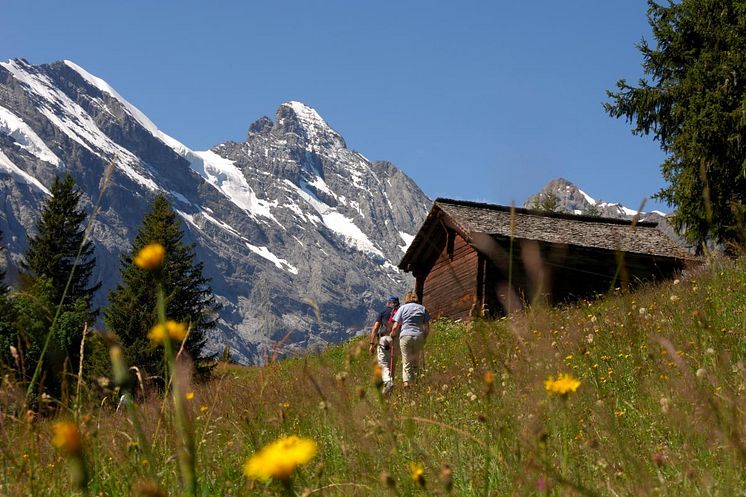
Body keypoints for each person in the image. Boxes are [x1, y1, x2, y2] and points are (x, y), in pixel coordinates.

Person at [391, 291, 430, 387]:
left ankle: (407, 384)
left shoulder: (402, 308)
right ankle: (416, 383)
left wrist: (392, 334)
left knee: (406, 361)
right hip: (418, 336)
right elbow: (427, 326)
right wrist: (424, 337)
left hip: (405, 336)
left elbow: (395, 326)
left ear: (406, 299)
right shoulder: (422, 308)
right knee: (416, 361)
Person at [368, 296, 400, 394]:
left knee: (383, 364)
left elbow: (376, 327)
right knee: (392, 365)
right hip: (396, 340)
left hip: (384, 339)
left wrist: (372, 344)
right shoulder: (400, 312)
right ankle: (389, 388)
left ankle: (388, 382)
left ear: (389, 303)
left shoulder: (383, 312)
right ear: (397, 303)